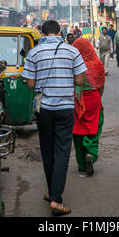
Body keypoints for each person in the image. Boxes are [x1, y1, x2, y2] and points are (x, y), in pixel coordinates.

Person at [22, 20, 87, 216]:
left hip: (45, 109)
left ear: (42, 33)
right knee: (62, 152)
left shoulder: (34, 53)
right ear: (60, 32)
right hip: (65, 108)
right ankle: (56, 199)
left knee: (47, 150)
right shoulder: (72, 51)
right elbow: (79, 80)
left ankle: (52, 192)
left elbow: (31, 85)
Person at [72, 38, 105, 176]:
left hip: (77, 100)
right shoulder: (97, 65)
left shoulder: (73, 65)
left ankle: (81, 164)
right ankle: (91, 153)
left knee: (78, 130)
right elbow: (101, 87)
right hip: (94, 99)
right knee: (94, 127)